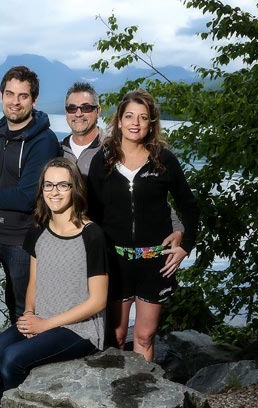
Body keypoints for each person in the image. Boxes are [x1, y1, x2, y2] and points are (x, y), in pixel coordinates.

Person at [0, 158, 108, 397]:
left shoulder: (92, 235)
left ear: (75, 189)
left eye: (62, 185)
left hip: (79, 329)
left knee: (11, 359)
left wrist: (45, 325)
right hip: (41, 318)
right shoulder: (38, 228)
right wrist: (29, 314)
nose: (54, 192)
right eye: (48, 185)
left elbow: (98, 301)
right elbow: (34, 282)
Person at [86, 90, 199, 362]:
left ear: (151, 123)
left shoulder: (164, 160)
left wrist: (185, 245)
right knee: (115, 335)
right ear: (119, 121)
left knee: (145, 336)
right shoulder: (102, 160)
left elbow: (190, 205)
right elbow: (90, 213)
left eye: (143, 117)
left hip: (155, 263)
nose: (135, 123)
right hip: (115, 261)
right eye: (129, 116)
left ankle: (143, 394)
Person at [60, 82, 184, 273]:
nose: (78, 113)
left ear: (98, 111)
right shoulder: (55, 151)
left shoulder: (112, 152)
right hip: (67, 245)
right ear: (66, 111)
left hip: (107, 250)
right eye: (72, 108)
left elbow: (150, 197)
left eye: (86, 107)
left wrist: (178, 229)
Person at [0, 66, 59, 323]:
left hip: (23, 239)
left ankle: (25, 360)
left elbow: (27, 197)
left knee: (24, 307)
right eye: (10, 94)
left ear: (34, 100)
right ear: (1, 96)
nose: (15, 102)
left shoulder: (44, 141)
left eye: (23, 96)